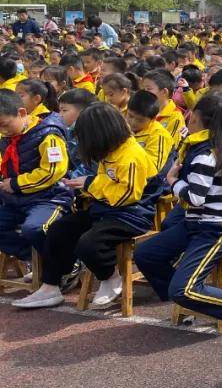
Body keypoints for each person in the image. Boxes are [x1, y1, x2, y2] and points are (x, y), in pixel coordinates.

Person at [134, 91, 222, 328]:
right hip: (194, 222)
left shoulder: (206, 154)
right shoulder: (205, 146)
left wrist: (173, 181)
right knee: (146, 254)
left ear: (194, 117)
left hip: (216, 228)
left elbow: (195, 198)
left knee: (183, 288)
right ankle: (189, 301)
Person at [15, 102, 157, 309]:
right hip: (105, 209)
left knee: (89, 243)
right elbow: (107, 185)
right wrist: (82, 187)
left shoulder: (131, 156)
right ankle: (51, 285)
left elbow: (125, 196)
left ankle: (110, 277)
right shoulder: (111, 151)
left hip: (131, 215)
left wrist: (89, 183)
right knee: (59, 230)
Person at [0, 89, 71, 266]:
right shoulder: (7, 137)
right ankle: (35, 258)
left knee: (35, 229)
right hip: (16, 200)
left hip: (50, 198)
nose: (2, 130)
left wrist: (17, 184)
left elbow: (53, 172)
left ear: (21, 113)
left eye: (4, 124)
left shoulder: (49, 135)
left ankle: (68, 263)